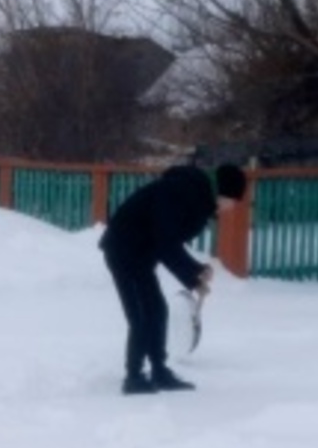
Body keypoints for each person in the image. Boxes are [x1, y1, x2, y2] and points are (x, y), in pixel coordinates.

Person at [100, 162, 248, 394]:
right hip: (123, 250)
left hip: (141, 253)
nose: (232, 209)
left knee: (157, 311)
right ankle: (134, 377)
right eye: (233, 201)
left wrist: (195, 274)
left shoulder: (196, 198)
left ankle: (159, 370)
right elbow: (165, 242)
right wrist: (194, 274)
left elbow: (166, 242)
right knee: (140, 315)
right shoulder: (182, 193)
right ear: (224, 192)